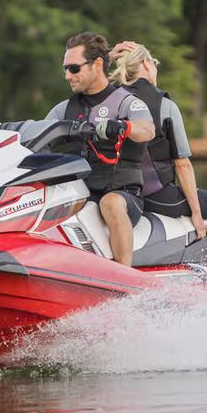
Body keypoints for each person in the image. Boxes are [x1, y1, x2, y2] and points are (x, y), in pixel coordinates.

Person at [108, 41, 207, 285]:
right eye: (155, 64)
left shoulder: (109, 100)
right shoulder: (165, 106)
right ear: (147, 64)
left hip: (124, 195)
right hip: (158, 196)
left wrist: (108, 57)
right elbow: (182, 165)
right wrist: (197, 214)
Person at [45, 32, 156, 266]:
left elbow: (147, 130)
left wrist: (122, 127)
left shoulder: (127, 102)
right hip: (80, 192)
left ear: (96, 65)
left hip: (123, 195)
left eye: (73, 69)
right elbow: (39, 133)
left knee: (110, 203)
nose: (67, 75)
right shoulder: (63, 109)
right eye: (65, 68)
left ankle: (123, 279)